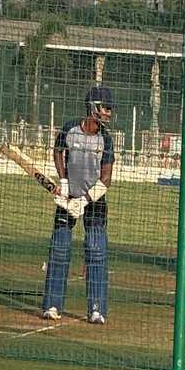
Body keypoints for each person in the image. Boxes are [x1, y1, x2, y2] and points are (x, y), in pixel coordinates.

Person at [41, 86, 115, 325]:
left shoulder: (106, 139)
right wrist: (63, 182)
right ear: (93, 107)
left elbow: (106, 179)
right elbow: (58, 152)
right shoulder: (70, 129)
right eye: (106, 108)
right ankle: (52, 304)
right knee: (60, 249)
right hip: (67, 199)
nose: (109, 114)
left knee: (96, 250)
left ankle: (96, 309)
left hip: (94, 202)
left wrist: (84, 200)